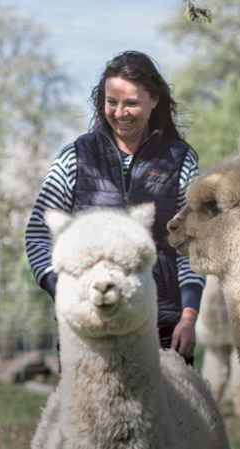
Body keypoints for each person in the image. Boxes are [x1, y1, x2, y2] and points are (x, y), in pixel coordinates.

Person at [26, 50, 204, 364]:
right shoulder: (76, 156)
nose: (120, 112)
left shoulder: (181, 161)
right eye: (111, 101)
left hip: (162, 330)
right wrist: (63, 289)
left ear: (154, 101)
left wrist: (188, 317)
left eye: (132, 103)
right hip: (88, 329)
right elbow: (39, 234)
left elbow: (191, 245)